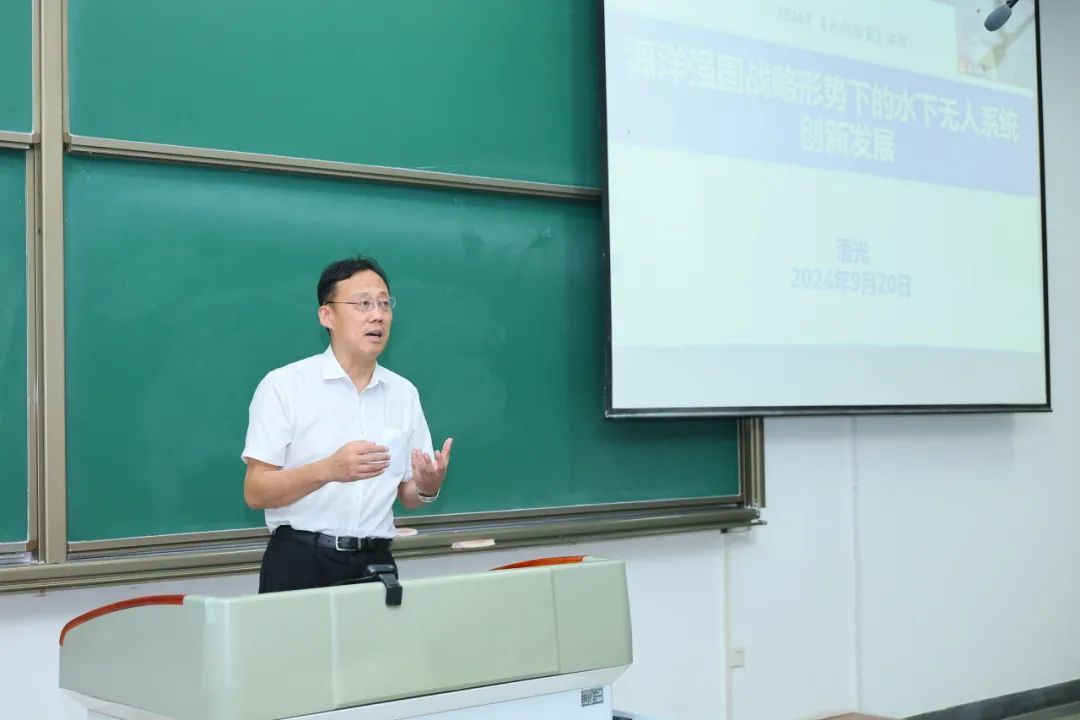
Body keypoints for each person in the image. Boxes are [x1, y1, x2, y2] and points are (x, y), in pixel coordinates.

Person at [241, 256, 452, 593]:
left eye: (384, 303)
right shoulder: (285, 386)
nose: (378, 315)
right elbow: (255, 491)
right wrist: (328, 469)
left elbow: (407, 494)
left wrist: (427, 486)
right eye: (363, 304)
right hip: (301, 560)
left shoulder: (403, 393)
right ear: (327, 315)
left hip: (376, 563)